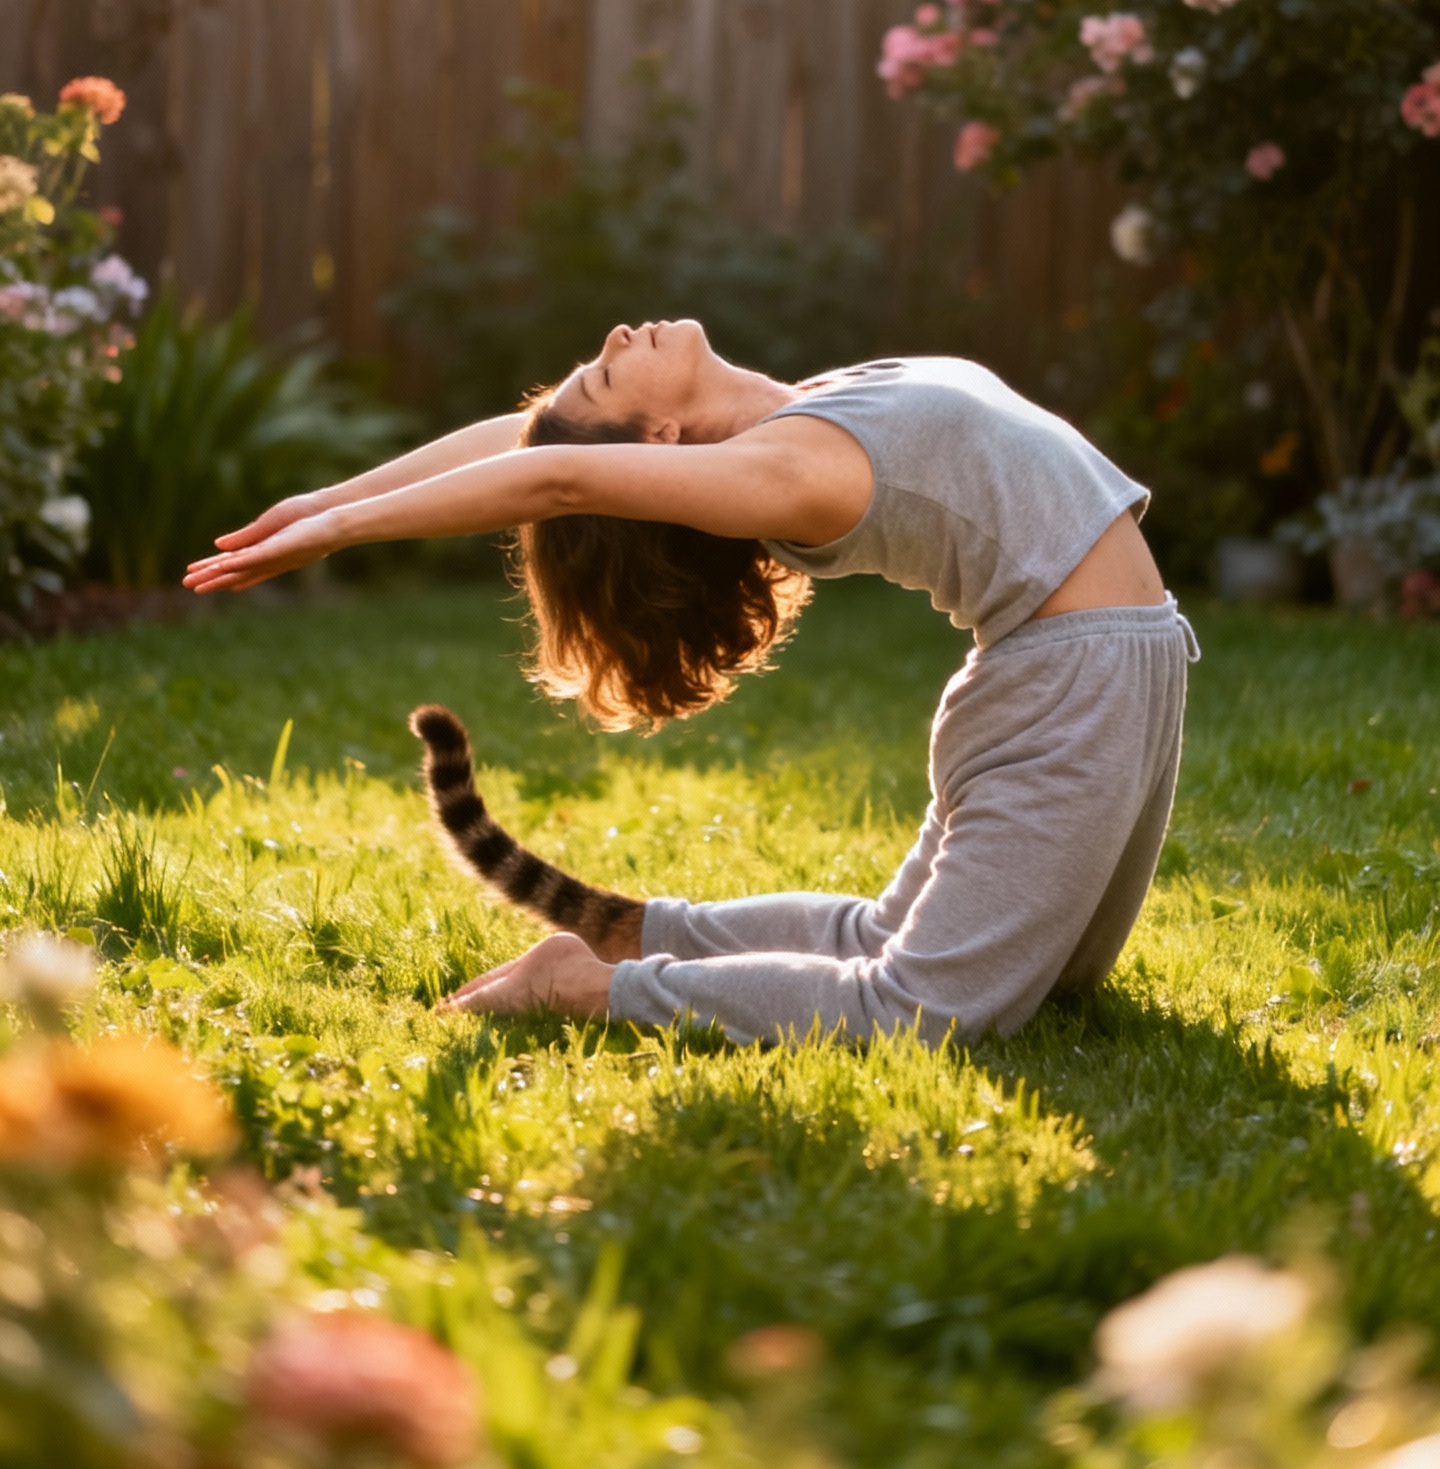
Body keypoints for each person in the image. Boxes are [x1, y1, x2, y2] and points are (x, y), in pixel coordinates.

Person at [185, 321, 1198, 1045]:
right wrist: (340, 531)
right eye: (605, 370)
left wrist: (331, 492)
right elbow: (558, 472)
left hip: (1094, 663)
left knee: (1033, 979)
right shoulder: (787, 474)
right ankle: (598, 988)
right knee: (930, 1009)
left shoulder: (801, 416)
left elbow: (532, 441)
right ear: (659, 443)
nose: (620, 333)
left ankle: (644, 932)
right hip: (1072, 678)